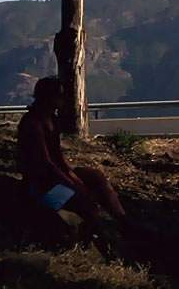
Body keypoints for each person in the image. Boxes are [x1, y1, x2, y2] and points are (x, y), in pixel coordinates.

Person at [17, 76, 130, 238]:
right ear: (50, 98)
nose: (64, 99)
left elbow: (58, 158)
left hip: (54, 178)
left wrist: (74, 177)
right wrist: (73, 185)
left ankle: (123, 221)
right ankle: (99, 238)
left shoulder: (51, 120)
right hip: (41, 186)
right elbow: (46, 163)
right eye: (60, 95)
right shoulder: (33, 123)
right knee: (86, 202)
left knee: (95, 177)